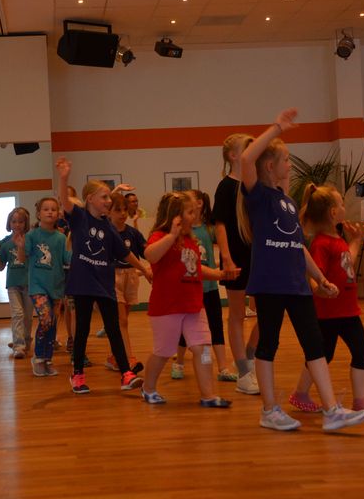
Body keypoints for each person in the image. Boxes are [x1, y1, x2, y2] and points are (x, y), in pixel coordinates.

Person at [238, 107, 364, 432]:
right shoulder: (258, 196)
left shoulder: (287, 201)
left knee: (314, 344)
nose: (289, 165)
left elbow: (297, 246)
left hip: (296, 284)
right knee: (268, 344)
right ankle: (270, 410)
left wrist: (320, 278)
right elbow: (246, 159)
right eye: (285, 160)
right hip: (269, 284)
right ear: (270, 166)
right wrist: (276, 127)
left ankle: (332, 410)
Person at [141, 191, 240, 407]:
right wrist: (171, 236)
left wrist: (220, 275)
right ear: (175, 216)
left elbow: (195, 268)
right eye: (190, 212)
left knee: (203, 348)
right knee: (164, 352)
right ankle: (148, 388)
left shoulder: (190, 240)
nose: (194, 217)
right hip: (167, 307)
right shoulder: (160, 236)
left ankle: (208, 396)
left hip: (193, 306)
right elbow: (151, 255)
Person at [56, 157, 144, 394]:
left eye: (109, 197)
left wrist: (145, 269)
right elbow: (65, 200)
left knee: (113, 328)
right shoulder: (80, 218)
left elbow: (125, 253)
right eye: (104, 197)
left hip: (104, 284)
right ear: (90, 199)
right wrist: (64, 178)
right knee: (82, 329)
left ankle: (126, 373)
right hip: (83, 283)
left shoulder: (108, 226)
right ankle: (77, 374)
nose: (109, 201)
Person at [289, 184, 364, 417]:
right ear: (333, 212)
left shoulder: (337, 238)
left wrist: (356, 241)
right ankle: (300, 393)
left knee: (361, 350)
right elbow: (314, 276)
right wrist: (321, 290)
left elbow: (346, 263)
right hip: (329, 313)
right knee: (324, 354)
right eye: (342, 204)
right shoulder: (321, 243)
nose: (345, 207)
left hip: (348, 310)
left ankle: (360, 401)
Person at [212, 133, 260, 395]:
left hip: (258, 256)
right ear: (233, 156)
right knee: (237, 314)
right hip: (236, 256)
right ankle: (243, 372)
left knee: (267, 311)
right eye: (247, 148)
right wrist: (227, 258)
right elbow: (220, 225)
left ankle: (250, 354)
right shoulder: (226, 187)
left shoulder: (255, 183)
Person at [171, 190, 237, 382]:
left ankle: (223, 368)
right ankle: (179, 362)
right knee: (186, 328)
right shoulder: (182, 232)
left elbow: (225, 241)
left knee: (215, 326)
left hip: (210, 289)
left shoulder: (210, 229)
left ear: (199, 203)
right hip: (190, 290)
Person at [15, 197, 71, 376]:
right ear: (39, 214)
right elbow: (22, 259)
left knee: (52, 324)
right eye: (46, 209)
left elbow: (68, 260)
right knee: (46, 319)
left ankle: (47, 359)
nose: (50, 212)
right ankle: (38, 357)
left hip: (56, 287)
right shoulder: (32, 235)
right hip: (37, 287)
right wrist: (21, 247)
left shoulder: (61, 238)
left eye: (53, 209)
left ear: (58, 214)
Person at [106, 192, 152, 373]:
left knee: (122, 321)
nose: (123, 213)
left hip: (131, 277)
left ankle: (114, 356)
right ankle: (128, 358)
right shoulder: (106, 232)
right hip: (113, 277)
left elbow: (147, 252)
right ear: (109, 212)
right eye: (118, 210)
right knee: (122, 321)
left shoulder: (133, 233)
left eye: (125, 209)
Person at [0, 207, 32, 359]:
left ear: (25, 223)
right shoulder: (5, 242)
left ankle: (25, 341)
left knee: (28, 316)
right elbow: (0, 266)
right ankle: (19, 345)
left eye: (21, 222)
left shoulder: (30, 239)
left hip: (30, 283)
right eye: (14, 221)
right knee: (18, 314)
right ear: (9, 223)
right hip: (13, 283)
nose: (17, 224)